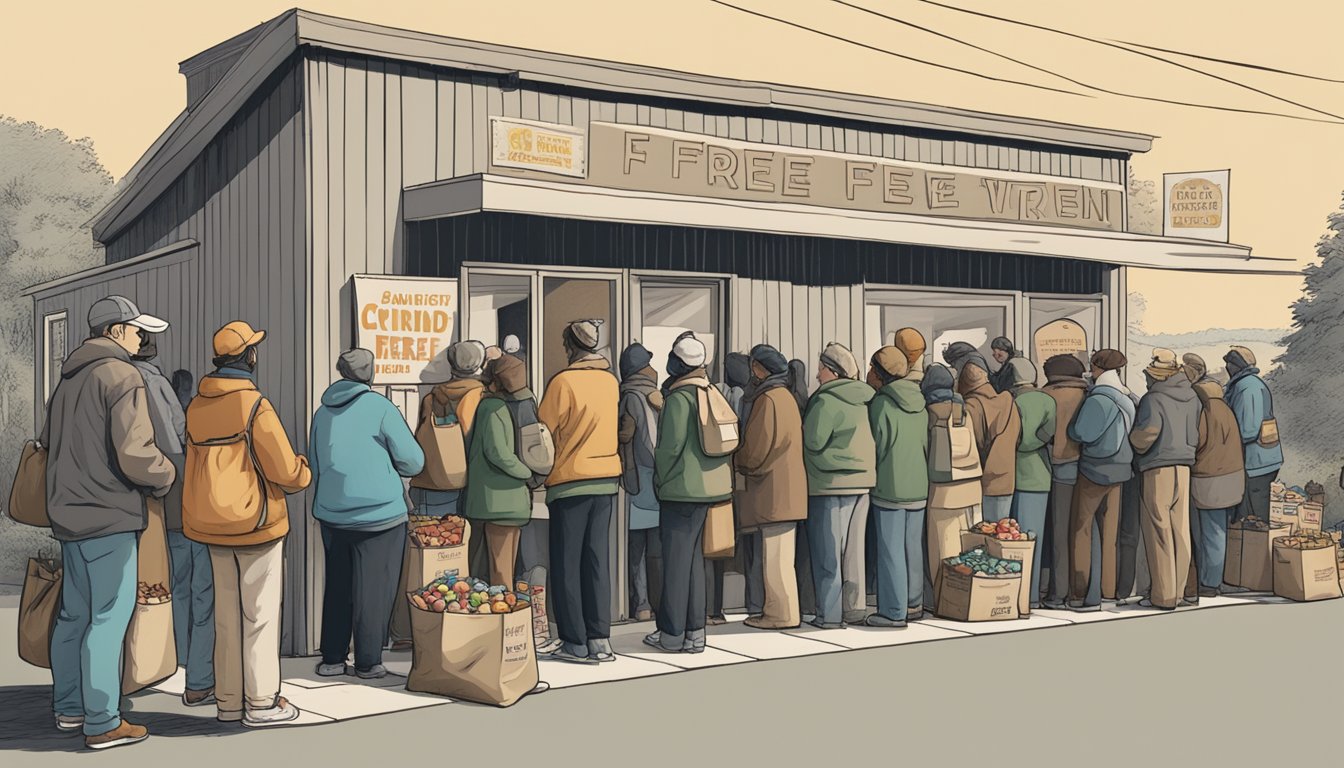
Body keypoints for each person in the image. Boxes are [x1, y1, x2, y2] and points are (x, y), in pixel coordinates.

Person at [45, 296, 176, 750]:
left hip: (67, 514)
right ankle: (102, 722)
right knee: (108, 618)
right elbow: (136, 454)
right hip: (110, 515)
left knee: (73, 615)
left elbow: (48, 443)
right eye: (138, 331)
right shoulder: (122, 375)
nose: (143, 339)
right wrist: (167, 474)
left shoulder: (68, 380)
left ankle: (69, 706)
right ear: (116, 331)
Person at [184, 321, 312, 727]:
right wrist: (303, 471)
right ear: (248, 357)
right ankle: (261, 703)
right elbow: (286, 471)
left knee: (226, 616)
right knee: (259, 616)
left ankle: (228, 703)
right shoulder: (255, 405)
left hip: (211, 525)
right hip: (256, 523)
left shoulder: (197, 406)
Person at [309, 349, 424, 679]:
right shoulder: (381, 408)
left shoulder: (322, 413)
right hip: (380, 516)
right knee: (374, 589)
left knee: (339, 587)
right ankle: (368, 662)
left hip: (333, 513)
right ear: (370, 374)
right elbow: (413, 461)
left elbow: (316, 462)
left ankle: (331, 658)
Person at [132, 328, 213, 707]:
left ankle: (171, 656)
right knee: (197, 585)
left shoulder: (120, 380)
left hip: (143, 496)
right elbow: (179, 431)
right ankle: (194, 665)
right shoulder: (156, 382)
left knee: (169, 582)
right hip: (178, 485)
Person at [537, 320, 622, 664]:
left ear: (571, 346)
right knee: (597, 560)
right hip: (606, 478)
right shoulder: (610, 382)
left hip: (570, 480)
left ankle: (574, 641)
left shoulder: (563, 382)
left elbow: (542, 431)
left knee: (567, 562)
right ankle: (600, 639)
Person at [645, 335, 733, 653]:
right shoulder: (711, 393)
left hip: (681, 491)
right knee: (694, 563)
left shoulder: (680, 399)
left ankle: (671, 633)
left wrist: (660, 480)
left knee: (676, 564)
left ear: (679, 364)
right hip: (710, 491)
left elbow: (669, 448)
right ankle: (695, 633)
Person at [803, 342, 876, 629]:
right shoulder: (866, 399)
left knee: (829, 554)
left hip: (830, 483)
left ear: (832, 371)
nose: (817, 376)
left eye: (821, 369)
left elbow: (814, 441)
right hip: (863, 483)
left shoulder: (824, 401)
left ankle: (829, 615)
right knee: (855, 552)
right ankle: (854, 609)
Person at [737, 344, 806, 630]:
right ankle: (782, 611)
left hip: (773, 491)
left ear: (759, 368)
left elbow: (756, 449)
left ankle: (780, 614)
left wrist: (737, 459)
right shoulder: (786, 396)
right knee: (782, 557)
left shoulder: (769, 399)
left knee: (775, 559)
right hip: (789, 489)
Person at [1130, 349, 1201, 610]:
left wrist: (1132, 441)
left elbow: (1147, 433)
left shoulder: (1153, 398)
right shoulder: (1192, 396)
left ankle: (1163, 595)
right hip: (1184, 467)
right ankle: (1180, 592)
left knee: (1158, 531)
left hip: (1158, 467)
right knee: (1181, 531)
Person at [1066, 349, 1135, 611]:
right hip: (1120, 469)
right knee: (1110, 533)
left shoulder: (1099, 399)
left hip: (1095, 470)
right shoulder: (1126, 396)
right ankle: (1109, 589)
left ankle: (1080, 591)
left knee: (1082, 530)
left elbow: (1083, 432)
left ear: (1097, 368)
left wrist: (1072, 427)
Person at [865, 347, 928, 628]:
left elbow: (876, 445)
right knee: (912, 547)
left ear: (880, 372)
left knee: (890, 550)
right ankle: (914, 604)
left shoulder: (881, 404)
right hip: (919, 484)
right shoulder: (921, 402)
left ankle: (893, 610)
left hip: (890, 484)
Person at [465, 354, 536, 588]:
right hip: (504, 501)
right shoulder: (498, 407)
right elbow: (498, 453)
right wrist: (527, 473)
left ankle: (502, 619)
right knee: (502, 570)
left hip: (494, 501)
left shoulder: (490, 406)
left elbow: (496, 452)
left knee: (496, 568)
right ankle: (505, 620)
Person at [921, 363, 982, 613]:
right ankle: (971, 597)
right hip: (971, 485)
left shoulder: (930, 412)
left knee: (942, 553)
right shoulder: (964, 409)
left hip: (943, 491)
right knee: (970, 549)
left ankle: (944, 602)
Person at [410, 340, 488, 518]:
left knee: (434, 541)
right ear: (480, 364)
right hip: (468, 484)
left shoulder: (431, 397)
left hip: (431, 484)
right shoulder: (480, 395)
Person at [1188, 374, 1246, 597]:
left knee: (1212, 533)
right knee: (1219, 530)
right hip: (1232, 477)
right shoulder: (1227, 410)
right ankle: (1216, 578)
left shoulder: (1206, 412)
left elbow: (1197, 442)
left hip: (1211, 480)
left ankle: (1210, 583)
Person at [1005, 357, 1055, 610]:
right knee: (1035, 539)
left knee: (1014, 540)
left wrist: (1024, 444)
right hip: (1041, 475)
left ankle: (1018, 594)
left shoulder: (1013, 402)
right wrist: (1039, 440)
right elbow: (1049, 433)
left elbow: (1014, 439)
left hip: (1015, 474)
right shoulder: (1047, 400)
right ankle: (1033, 594)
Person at [619, 343, 663, 622]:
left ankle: (643, 603)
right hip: (649, 479)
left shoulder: (630, 396)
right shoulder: (644, 396)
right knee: (652, 547)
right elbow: (648, 444)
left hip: (638, 480)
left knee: (637, 548)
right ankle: (648, 603)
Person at [1040, 355, 1088, 609]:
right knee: (1082, 533)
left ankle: (1057, 593)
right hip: (1088, 469)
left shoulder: (1048, 395)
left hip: (1058, 467)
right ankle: (1081, 591)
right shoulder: (1087, 393)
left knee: (1058, 534)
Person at [720, 351, 763, 619]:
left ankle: (753, 602)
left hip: (740, 477)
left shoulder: (738, 396)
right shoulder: (754, 395)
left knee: (746, 543)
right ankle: (753, 602)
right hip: (749, 479)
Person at [1223, 346, 1284, 524]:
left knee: (1255, 518)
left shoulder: (1246, 386)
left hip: (1256, 463)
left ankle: (1256, 550)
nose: (1227, 366)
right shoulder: (1249, 384)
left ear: (1237, 365)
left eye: (1229, 362)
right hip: (1261, 461)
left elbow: (1248, 429)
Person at [958, 356, 1021, 523]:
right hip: (1007, 476)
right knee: (1001, 531)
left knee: (982, 535)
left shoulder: (971, 406)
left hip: (981, 479)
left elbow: (973, 444)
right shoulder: (1008, 401)